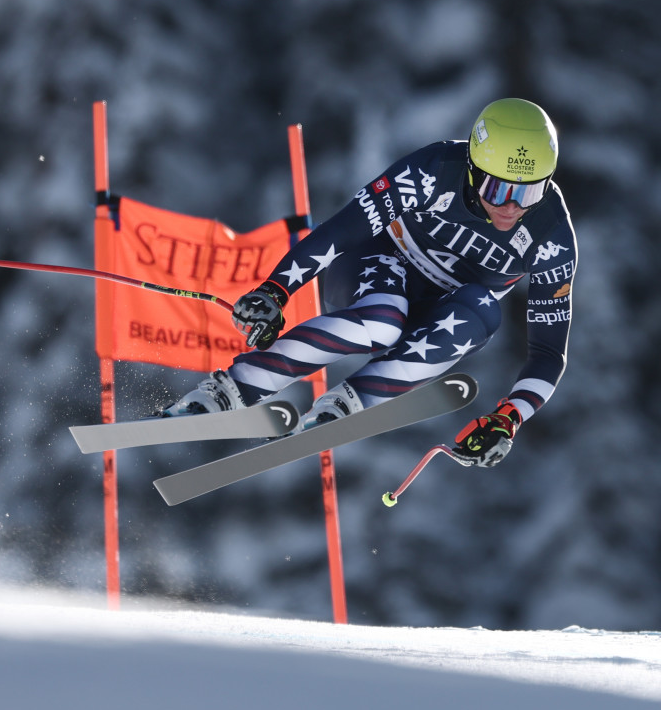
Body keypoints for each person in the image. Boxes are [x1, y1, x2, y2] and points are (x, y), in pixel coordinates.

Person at [164, 98, 577, 468]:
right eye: (498, 188)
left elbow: (547, 352)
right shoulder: (433, 172)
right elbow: (343, 229)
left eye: (528, 193)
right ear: (472, 168)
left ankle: (348, 404)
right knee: (384, 319)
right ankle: (232, 390)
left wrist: (510, 416)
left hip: (438, 315)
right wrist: (277, 290)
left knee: (484, 310)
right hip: (375, 269)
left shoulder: (552, 236)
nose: (511, 207)